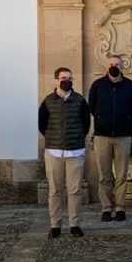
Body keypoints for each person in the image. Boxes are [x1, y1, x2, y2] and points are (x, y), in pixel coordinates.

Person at [38, 68, 90, 239]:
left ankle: (74, 224)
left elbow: (86, 123)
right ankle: (55, 225)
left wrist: (75, 138)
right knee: (55, 190)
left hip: (75, 151)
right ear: (56, 80)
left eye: (69, 78)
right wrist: (54, 139)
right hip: (54, 151)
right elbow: (42, 124)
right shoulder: (47, 101)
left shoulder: (80, 100)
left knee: (74, 190)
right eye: (63, 78)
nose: (66, 81)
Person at [88, 54, 132, 223]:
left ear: (122, 66)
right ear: (106, 66)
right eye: (111, 64)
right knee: (104, 175)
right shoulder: (97, 85)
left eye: (117, 64)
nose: (114, 66)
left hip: (123, 136)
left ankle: (120, 207)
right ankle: (106, 208)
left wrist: (122, 119)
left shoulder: (130, 86)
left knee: (122, 174)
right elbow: (92, 107)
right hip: (102, 136)